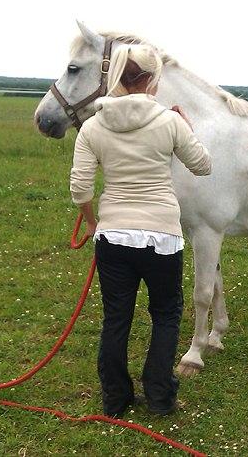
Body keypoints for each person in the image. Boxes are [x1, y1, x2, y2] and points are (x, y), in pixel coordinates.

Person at [69, 43, 211, 417]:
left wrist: (91, 221)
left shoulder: (92, 126)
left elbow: (80, 187)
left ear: (116, 76)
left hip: (113, 237)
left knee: (116, 317)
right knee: (165, 314)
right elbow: (202, 166)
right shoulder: (170, 121)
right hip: (163, 237)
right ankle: (160, 397)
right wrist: (187, 129)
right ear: (152, 79)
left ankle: (115, 400)